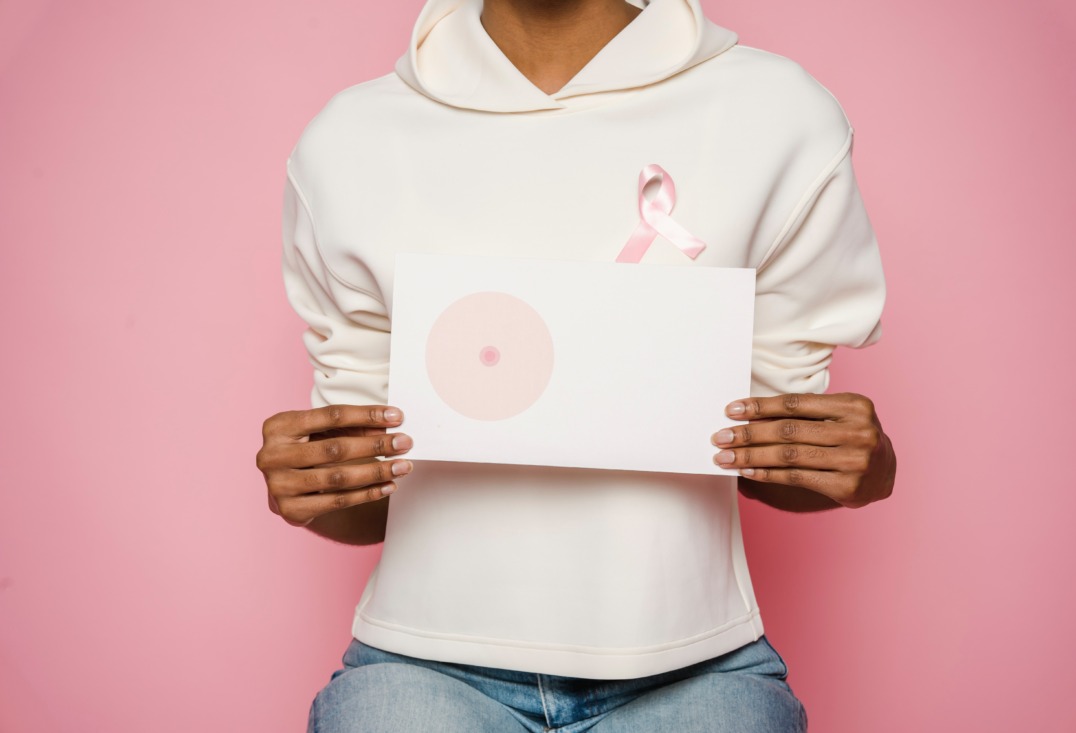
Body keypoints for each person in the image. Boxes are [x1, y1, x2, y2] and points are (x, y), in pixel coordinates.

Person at [256, 0, 897, 729]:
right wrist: (320, 483)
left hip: (694, 664)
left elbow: (774, 451)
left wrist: (862, 467)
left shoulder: (778, 117)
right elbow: (364, 498)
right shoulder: (350, 143)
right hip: (421, 662)